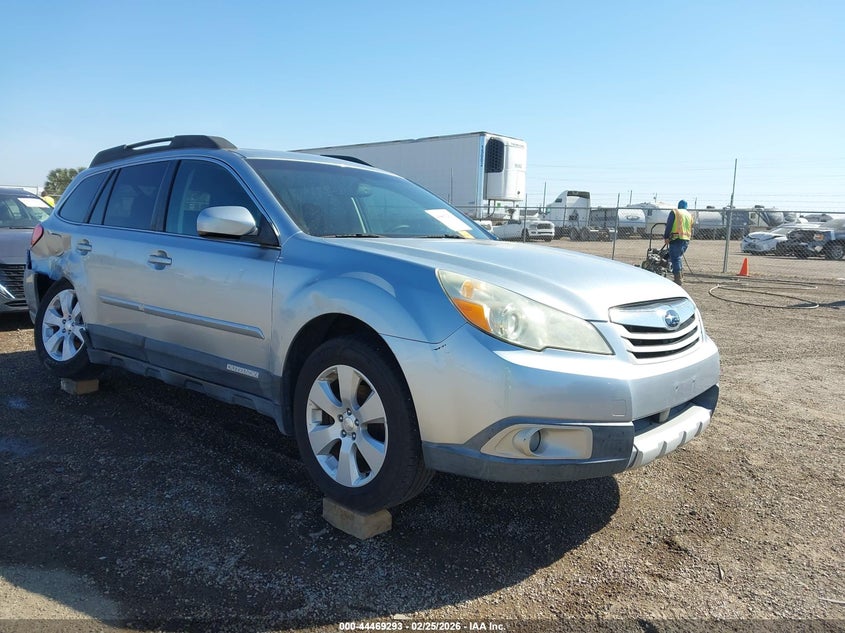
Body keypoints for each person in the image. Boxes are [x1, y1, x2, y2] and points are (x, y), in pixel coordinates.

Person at [663, 199, 693, 285]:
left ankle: (678, 279)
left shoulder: (675, 212)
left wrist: (666, 236)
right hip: (686, 239)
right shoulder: (689, 215)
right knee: (678, 257)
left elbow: (669, 225)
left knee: (675, 258)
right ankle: (680, 276)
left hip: (676, 238)